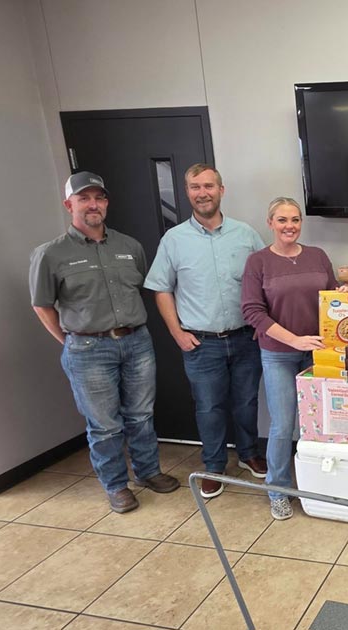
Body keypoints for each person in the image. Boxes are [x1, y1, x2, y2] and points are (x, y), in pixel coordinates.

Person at [29, 172, 179, 514]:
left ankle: (148, 472)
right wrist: (69, 341)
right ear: (69, 205)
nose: (92, 204)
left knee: (141, 415)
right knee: (105, 426)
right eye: (84, 198)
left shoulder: (130, 247)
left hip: (137, 343)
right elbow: (41, 305)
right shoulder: (50, 254)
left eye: (98, 197)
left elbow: (143, 288)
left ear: (106, 203)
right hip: (88, 349)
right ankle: (116, 486)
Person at [144, 164, 267, 499]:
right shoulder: (174, 240)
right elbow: (161, 289)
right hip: (201, 343)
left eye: (209, 186)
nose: (203, 193)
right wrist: (176, 333)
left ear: (221, 190)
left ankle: (248, 454)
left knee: (246, 401)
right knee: (209, 407)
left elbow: (265, 281)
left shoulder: (246, 235)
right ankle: (213, 466)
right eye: (195, 187)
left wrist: (262, 324)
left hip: (245, 338)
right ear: (187, 193)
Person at [241, 197, 338, 520]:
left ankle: (323, 486)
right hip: (278, 354)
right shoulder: (258, 262)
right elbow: (252, 311)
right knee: (283, 426)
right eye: (282, 220)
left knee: (323, 424)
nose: (289, 226)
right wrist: (294, 340)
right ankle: (278, 490)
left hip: (318, 355)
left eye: (295, 220)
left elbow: (334, 301)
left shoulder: (318, 256)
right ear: (270, 223)